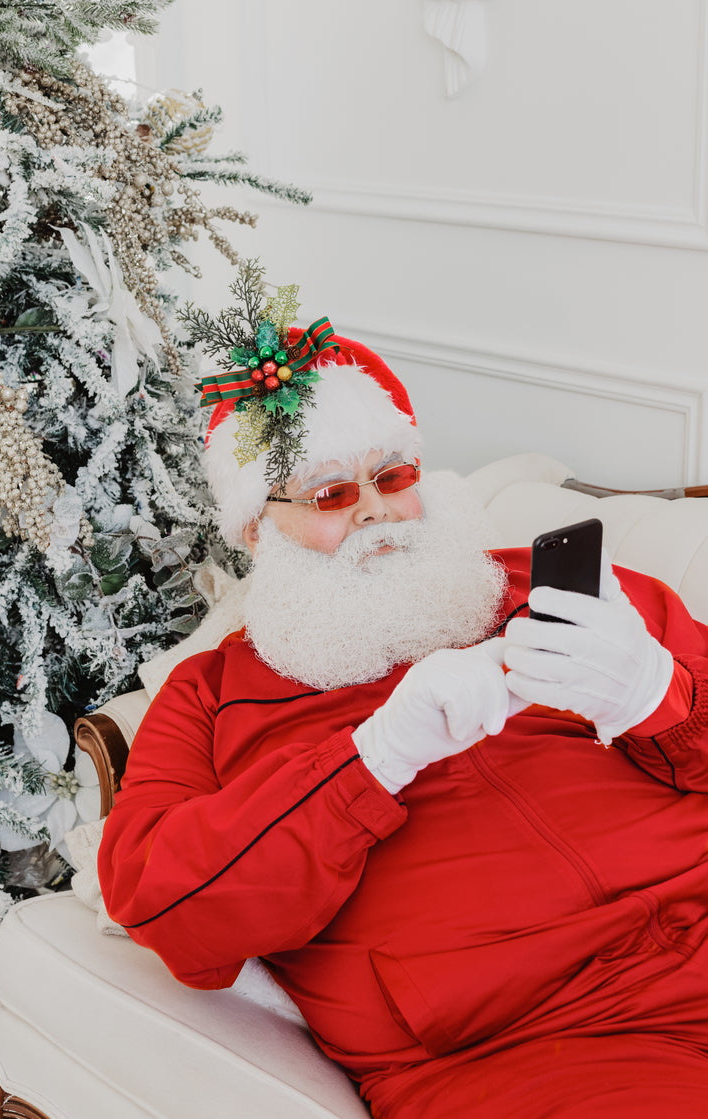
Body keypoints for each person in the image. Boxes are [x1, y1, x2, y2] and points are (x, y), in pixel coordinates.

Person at [98, 326, 708, 1119]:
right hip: (540, 1044)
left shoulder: (561, 588)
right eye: (331, 493)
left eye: (392, 475)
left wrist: (659, 698)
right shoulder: (209, 695)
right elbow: (165, 904)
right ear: (256, 527)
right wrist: (372, 760)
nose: (378, 512)